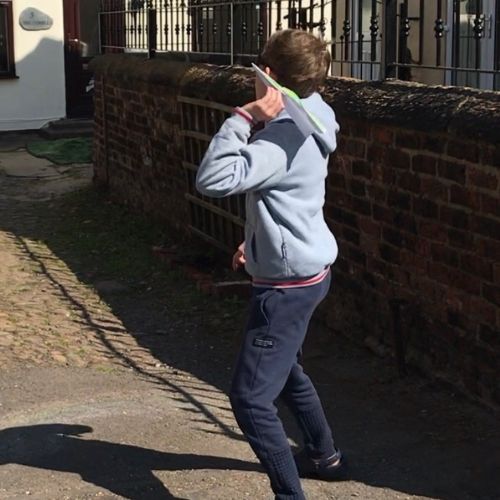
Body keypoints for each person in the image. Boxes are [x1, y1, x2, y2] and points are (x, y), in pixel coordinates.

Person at [196, 29, 344, 500]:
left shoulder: (279, 138)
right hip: (309, 269)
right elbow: (289, 195)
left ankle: (290, 494)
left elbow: (213, 178)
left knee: (250, 398)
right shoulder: (317, 113)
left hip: (284, 288)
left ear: (271, 77)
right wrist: (256, 240)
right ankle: (323, 455)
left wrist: (245, 116)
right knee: (285, 371)